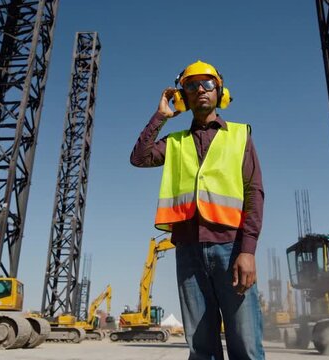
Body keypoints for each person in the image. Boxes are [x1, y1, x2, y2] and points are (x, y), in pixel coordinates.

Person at [130, 60, 265, 360]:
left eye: (207, 83)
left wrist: (248, 251)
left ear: (220, 91)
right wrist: (161, 116)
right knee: (201, 348)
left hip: (231, 250)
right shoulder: (175, 143)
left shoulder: (240, 135)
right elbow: (139, 157)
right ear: (183, 97)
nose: (200, 90)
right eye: (191, 85)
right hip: (189, 252)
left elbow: (254, 193)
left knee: (246, 344)